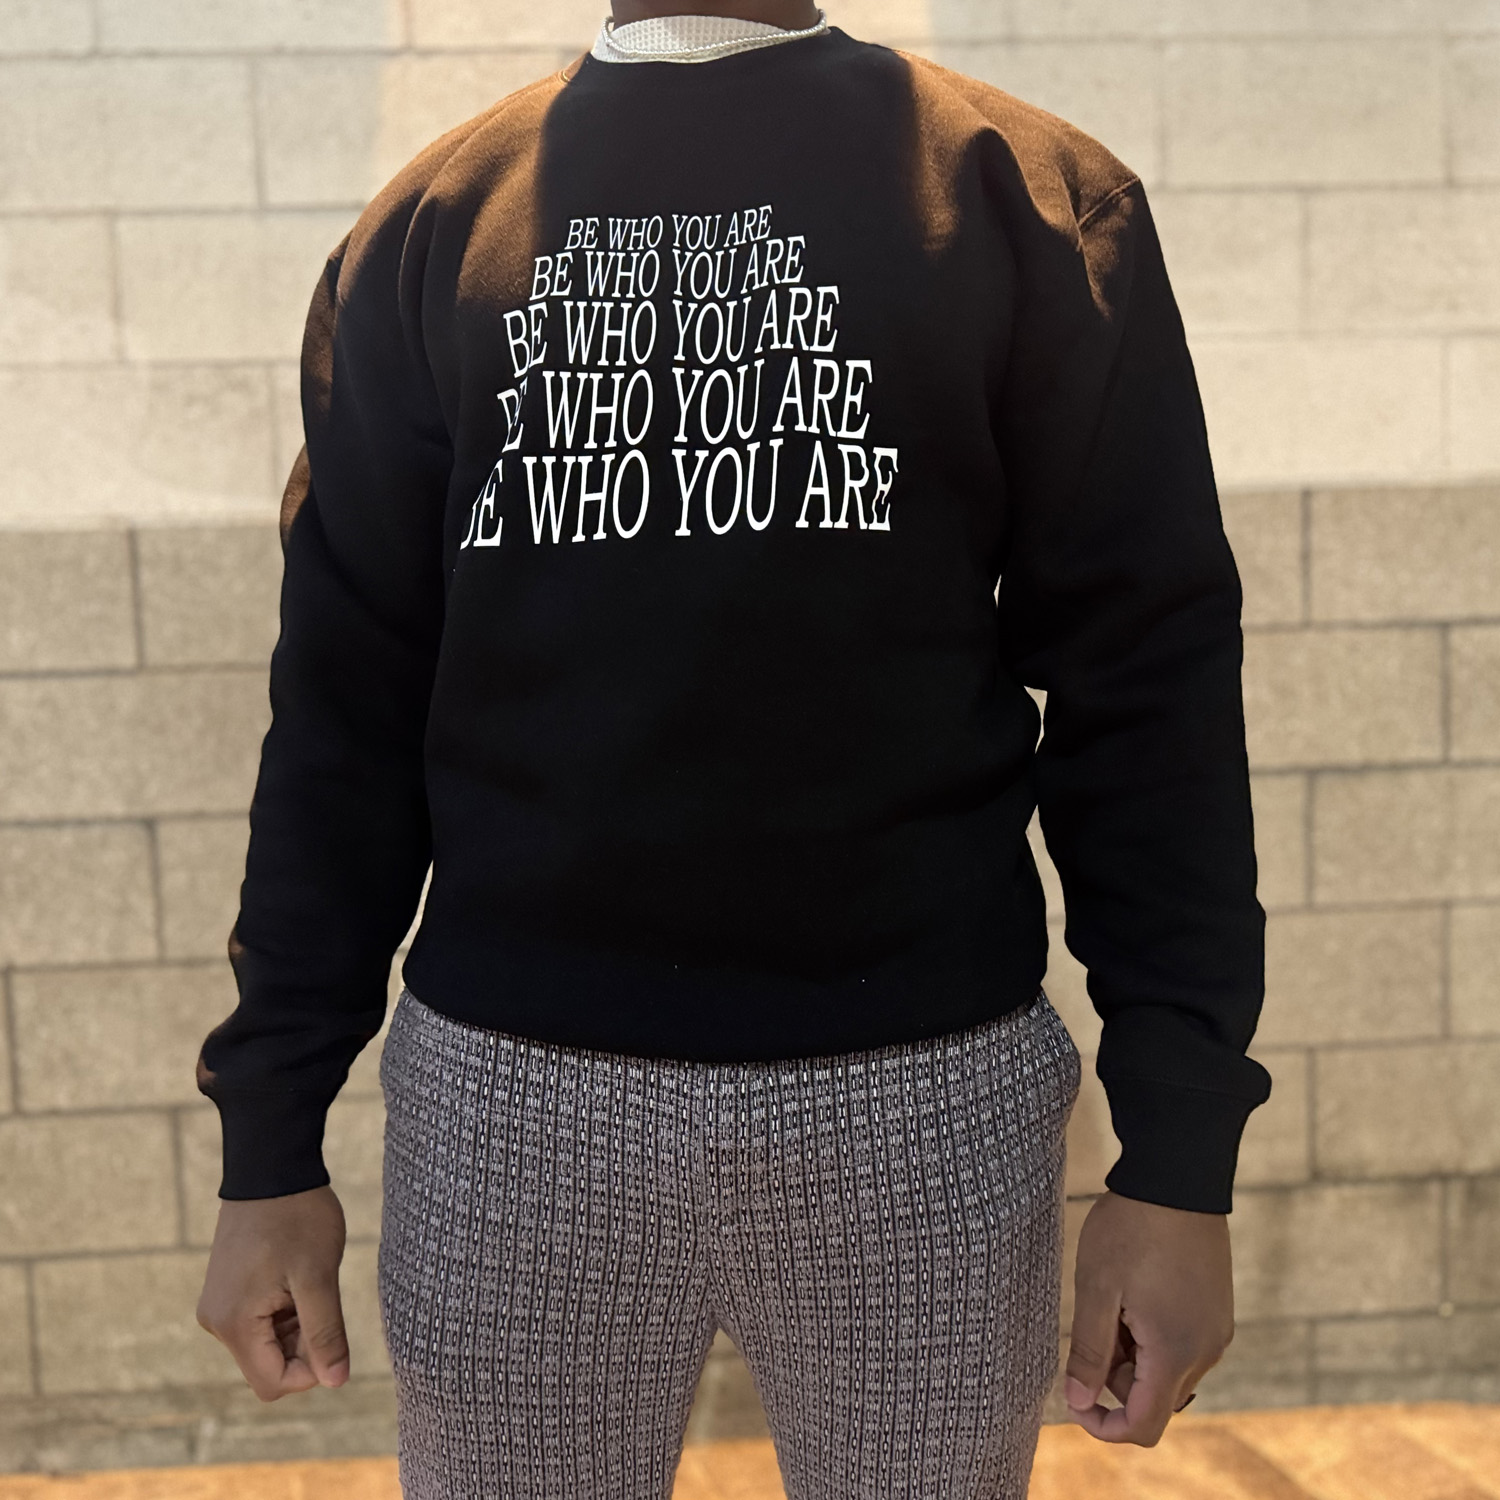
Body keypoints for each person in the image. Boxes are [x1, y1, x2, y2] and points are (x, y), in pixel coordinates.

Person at [193, 3, 1272, 1495]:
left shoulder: (1025, 198)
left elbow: (1146, 692)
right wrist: (269, 1136)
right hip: (514, 1108)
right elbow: (344, 714)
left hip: (923, 1098)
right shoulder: (431, 230)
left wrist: (1180, 1159)